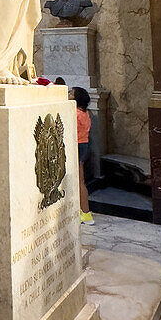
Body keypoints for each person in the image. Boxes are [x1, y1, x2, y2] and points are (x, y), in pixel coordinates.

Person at [71, 86, 93, 224]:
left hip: (77, 145)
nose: (68, 94)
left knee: (79, 181)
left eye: (70, 93)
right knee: (80, 180)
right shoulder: (85, 113)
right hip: (84, 145)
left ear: (75, 98)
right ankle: (83, 211)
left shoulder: (75, 113)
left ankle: (85, 213)